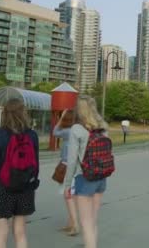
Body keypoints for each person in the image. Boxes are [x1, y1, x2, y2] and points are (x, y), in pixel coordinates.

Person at [0, 98, 39, 248]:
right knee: (20, 232)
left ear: (5, 113)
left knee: (1, 232)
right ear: (23, 113)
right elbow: (35, 165)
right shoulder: (32, 136)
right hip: (25, 187)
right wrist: (32, 185)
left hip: (3, 187)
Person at [64, 96, 111, 248]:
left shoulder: (77, 129)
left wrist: (66, 185)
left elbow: (71, 161)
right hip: (101, 177)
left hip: (84, 178)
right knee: (93, 220)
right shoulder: (103, 127)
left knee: (86, 223)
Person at [53, 109, 79, 236]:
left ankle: (75, 225)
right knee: (72, 195)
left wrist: (60, 118)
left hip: (67, 167)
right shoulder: (79, 130)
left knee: (68, 196)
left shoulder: (68, 132)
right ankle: (70, 224)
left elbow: (55, 132)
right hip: (76, 167)